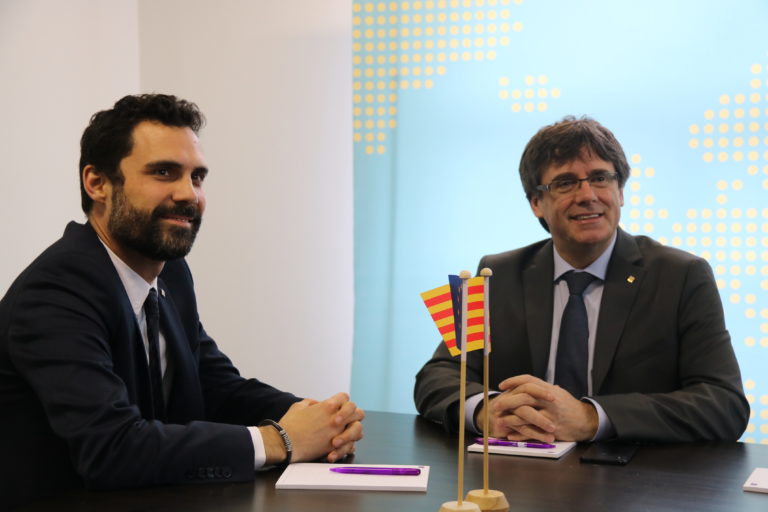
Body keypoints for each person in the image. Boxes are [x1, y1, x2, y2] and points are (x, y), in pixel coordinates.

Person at [0, 94, 364, 508]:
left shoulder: (170, 272)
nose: (188, 194)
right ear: (97, 184)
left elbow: (215, 386)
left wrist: (321, 419)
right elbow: (111, 449)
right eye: (164, 172)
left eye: (197, 177)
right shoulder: (56, 292)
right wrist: (281, 440)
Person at [414, 116, 749, 444]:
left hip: (634, 475)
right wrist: (486, 411)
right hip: (518, 470)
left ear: (620, 192)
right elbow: (437, 375)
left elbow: (724, 404)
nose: (587, 194)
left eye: (601, 178)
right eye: (565, 183)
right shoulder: (495, 274)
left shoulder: (683, 276)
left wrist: (591, 418)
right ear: (536, 203)